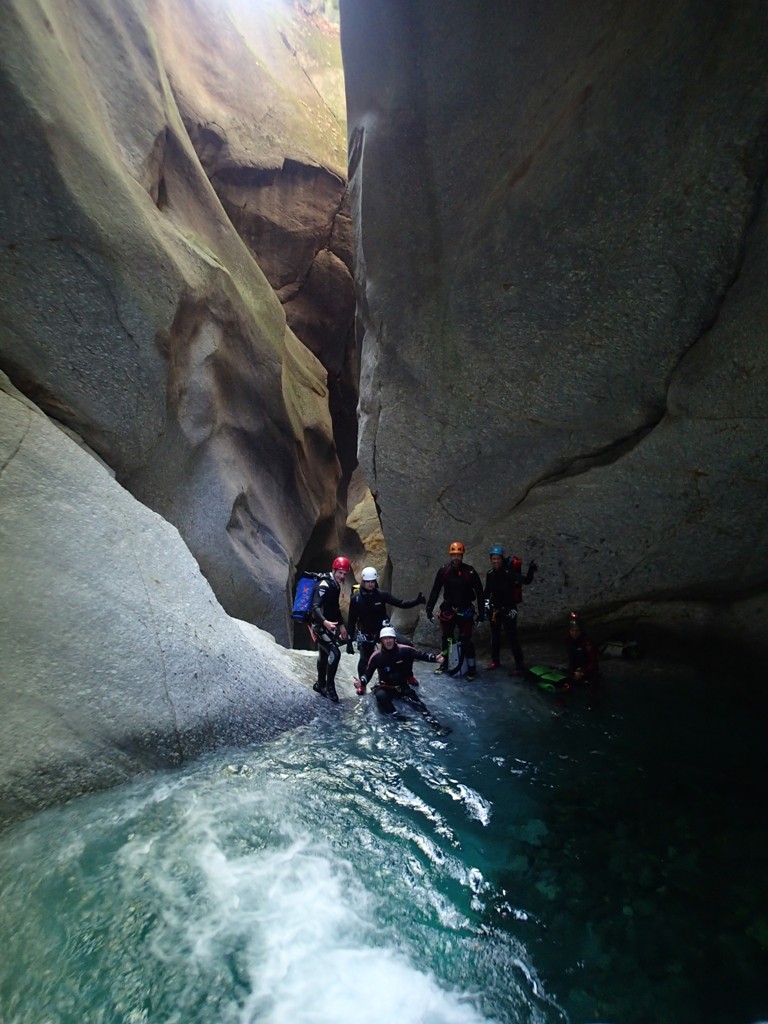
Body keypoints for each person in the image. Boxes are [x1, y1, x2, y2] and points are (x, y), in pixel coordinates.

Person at [346, 567, 426, 694]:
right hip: (366, 632)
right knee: (364, 659)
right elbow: (351, 621)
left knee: (407, 646)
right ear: (363, 581)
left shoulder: (381, 595)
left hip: (383, 630)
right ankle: (362, 684)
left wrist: (416, 602)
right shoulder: (356, 599)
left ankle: (408, 675)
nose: (370, 584)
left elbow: (400, 603)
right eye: (368, 582)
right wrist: (349, 641)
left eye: (372, 581)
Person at [362, 627, 445, 727]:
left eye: (390, 638)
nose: (388, 641)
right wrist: (362, 682)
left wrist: (434, 658)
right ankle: (399, 719)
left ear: (394, 639)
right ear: (381, 641)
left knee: (417, 703)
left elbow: (419, 655)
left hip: (402, 685)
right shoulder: (376, 656)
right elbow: (368, 673)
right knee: (380, 696)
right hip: (385, 686)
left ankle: (434, 724)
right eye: (385, 638)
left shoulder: (404, 650)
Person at [425, 541, 485, 680]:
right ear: (450, 555)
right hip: (448, 609)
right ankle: (445, 663)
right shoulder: (444, 570)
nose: (456, 558)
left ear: (462, 555)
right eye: (454, 555)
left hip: (465, 609)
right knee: (447, 638)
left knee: (466, 639)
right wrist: (429, 609)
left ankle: (471, 668)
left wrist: (482, 614)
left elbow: (480, 593)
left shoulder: (470, 572)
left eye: (458, 555)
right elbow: (435, 591)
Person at [484, 545, 537, 674]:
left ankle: (519, 665)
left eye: (498, 558)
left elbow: (526, 580)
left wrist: (531, 569)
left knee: (512, 637)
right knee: (495, 636)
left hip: (509, 610)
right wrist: (486, 606)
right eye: (494, 559)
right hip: (495, 610)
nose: (496, 561)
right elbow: (487, 592)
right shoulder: (490, 574)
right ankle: (495, 660)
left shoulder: (509, 573)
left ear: (502, 559)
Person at [309, 556, 350, 703]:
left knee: (324, 655)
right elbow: (315, 607)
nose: (342, 576)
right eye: (340, 573)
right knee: (335, 653)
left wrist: (341, 625)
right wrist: (325, 622)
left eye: (345, 573)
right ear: (334, 570)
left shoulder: (335, 584)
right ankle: (329, 687)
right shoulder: (325, 585)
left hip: (328, 626)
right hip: (320, 626)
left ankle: (320, 684)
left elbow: (334, 607)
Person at [565, 611, 599, 685]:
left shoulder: (586, 642)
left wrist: (582, 672)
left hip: (588, 671)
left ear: (581, 631)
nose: (574, 633)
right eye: (572, 630)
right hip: (575, 670)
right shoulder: (568, 640)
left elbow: (594, 662)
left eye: (577, 631)